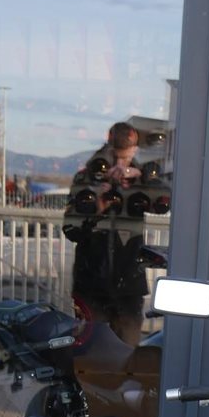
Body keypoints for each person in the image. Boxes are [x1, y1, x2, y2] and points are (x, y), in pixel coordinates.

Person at [63, 122, 151, 348]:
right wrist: (97, 207)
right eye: (116, 158)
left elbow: (166, 200)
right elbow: (70, 230)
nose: (120, 166)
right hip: (92, 284)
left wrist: (139, 179)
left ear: (135, 151)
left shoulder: (141, 180)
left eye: (126, 159)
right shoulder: (87, 178)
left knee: (128, 353)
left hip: (128, 284)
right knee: (91, 354)